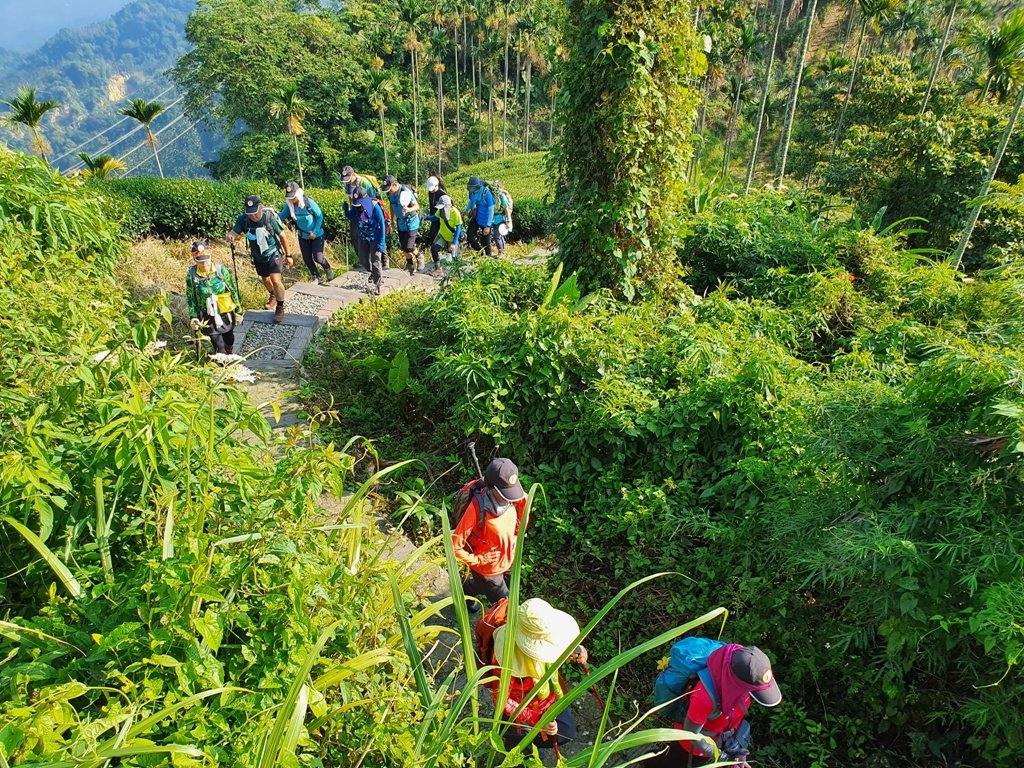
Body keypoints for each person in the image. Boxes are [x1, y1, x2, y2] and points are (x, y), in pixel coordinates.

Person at [640, 644, 782, 767]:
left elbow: (735, 716)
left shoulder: (739, 674)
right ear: (737, 683)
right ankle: (647, 760)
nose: (751, 694)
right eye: (752, 690)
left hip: (719, 739)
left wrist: (739, 752)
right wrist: (721, 756)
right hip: (691, 748)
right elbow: (690, 734)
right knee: (667, 764)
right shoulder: (704, 698)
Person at [488, 598, 587, 751]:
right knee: (518, 746)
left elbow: (556, 645)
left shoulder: (540, 628)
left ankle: (534, 742)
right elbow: (501, 700)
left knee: (565, 732)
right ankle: (525, 750)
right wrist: (538, 720)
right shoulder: (507, 659)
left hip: (547, 698)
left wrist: (576, 650)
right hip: (522, 707)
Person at [451, 458, 527, 608]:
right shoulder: (477, 508)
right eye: (505, 493)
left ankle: (467, 590)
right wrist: (477, 560)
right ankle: (467, 593)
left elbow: (522, 515)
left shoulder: (514, 496)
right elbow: (454, 547)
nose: (510, 498)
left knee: (492, 587)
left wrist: (516, 537)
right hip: (488, 569)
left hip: (509, 559)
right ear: (492, 489)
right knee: (506, 606)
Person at [228, 195, 292, 323]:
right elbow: (234, 232)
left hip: (273, 252)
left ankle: (280, 307)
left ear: (260, 208)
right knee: (266, 279)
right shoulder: (243, 220)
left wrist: (288, 256)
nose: (253, 216)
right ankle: (273, 295)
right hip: (258, 256)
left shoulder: (269, 218)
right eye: (250, 214)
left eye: (255, 213)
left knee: (275, 279)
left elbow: (282, 236)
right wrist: (230, 236)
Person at [185, 240, 241, 356]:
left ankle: (229, 350)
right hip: (207, 314)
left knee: (229, 338)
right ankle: (223, 362)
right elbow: (190, 297)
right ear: (195, 260)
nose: (204, 264)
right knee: (218, 345)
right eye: (200, 261)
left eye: (206, 260)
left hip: (225, 310)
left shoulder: (220, 270)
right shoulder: (192, 274)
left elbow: (232, 289)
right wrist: (193, 317)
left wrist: (238, 310)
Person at [279, 181, 334, 284]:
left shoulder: (308, 202)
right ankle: (317, 277)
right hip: (303, 236)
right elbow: (281, 216)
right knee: (307, 259)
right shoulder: (289, 206)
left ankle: (327, 268)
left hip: (317, 235)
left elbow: (319, 216)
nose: (292, 199)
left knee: (318, 258)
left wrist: (315, 231)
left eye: (293, 196)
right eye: (290, 197)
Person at [345, 186, 387, 295]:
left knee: (375, 261)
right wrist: (346, 210)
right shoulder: (356, 206)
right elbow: (351, 216)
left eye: (360, 204)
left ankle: (379, 284)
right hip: (363, 237)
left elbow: (382, 225)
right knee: (363, 260)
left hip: (375, 238)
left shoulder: (374, 207)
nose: (358, 206)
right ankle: (372, 272)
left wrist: (381, 242)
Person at [341, 165, 381, 272]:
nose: (347, 181)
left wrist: (367, 215)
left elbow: (372, 199)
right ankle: (363, 260)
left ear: (353, 174)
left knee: (374, 235)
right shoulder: (347, 184)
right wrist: (350, 211)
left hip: (368, 211)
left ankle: (381, 261)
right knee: (355, 236)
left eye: (348, 178)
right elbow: (351, 198)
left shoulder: (364, 183)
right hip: (356, 210)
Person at [382, 175, 422, 274]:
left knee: (409, 247)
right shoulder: (390, 194)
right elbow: (392, 205)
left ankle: (419, 256)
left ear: (395, 184)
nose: (389, 192)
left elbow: (417, 206)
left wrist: (408, 209)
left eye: (390, 189)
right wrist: (392, 220)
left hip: (411, 222)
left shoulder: (405, 191)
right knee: (403, 247)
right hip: (401, 222)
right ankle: (410, 265)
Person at [423, 194, 462, 274]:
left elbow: (458, 229)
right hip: (442, 235)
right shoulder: (440, 211)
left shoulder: (455, 213)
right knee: (434, 248)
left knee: (454, 257)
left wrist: (454, 243)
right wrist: (426, 217)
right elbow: (435, 217)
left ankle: (456, 274)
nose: (441, 209)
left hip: (452, 238)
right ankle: (438, 269)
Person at [464, 175, 495, 257]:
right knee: (470, 236)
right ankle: (480, 252)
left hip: (486, 220)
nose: (472, 190)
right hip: (477, 217)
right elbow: (470, 202)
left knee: (486, 243)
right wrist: (465, 211)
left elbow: (491, 210)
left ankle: (488, 258)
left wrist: (488, 226)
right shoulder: (472, 192)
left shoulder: (486, 193)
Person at [423, 175, 448, 246]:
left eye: (432, 189)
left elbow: (442, 213)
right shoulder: (430, 193)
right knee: (432, 235)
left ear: (437, 185)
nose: (431, 191)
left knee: (441, 236)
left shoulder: (443, 195)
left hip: (441, 218)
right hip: (434, 217)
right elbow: (431, 205)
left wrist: (428, 217)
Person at [491, 181, 513, 258]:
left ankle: (501, 252)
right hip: (494, 219)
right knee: (499, 236)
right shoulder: (491, 196)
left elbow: (506, 209)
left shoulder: (502, 196)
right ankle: (503, 251)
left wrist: (509, 221)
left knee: (496, 235)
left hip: (501, 219)